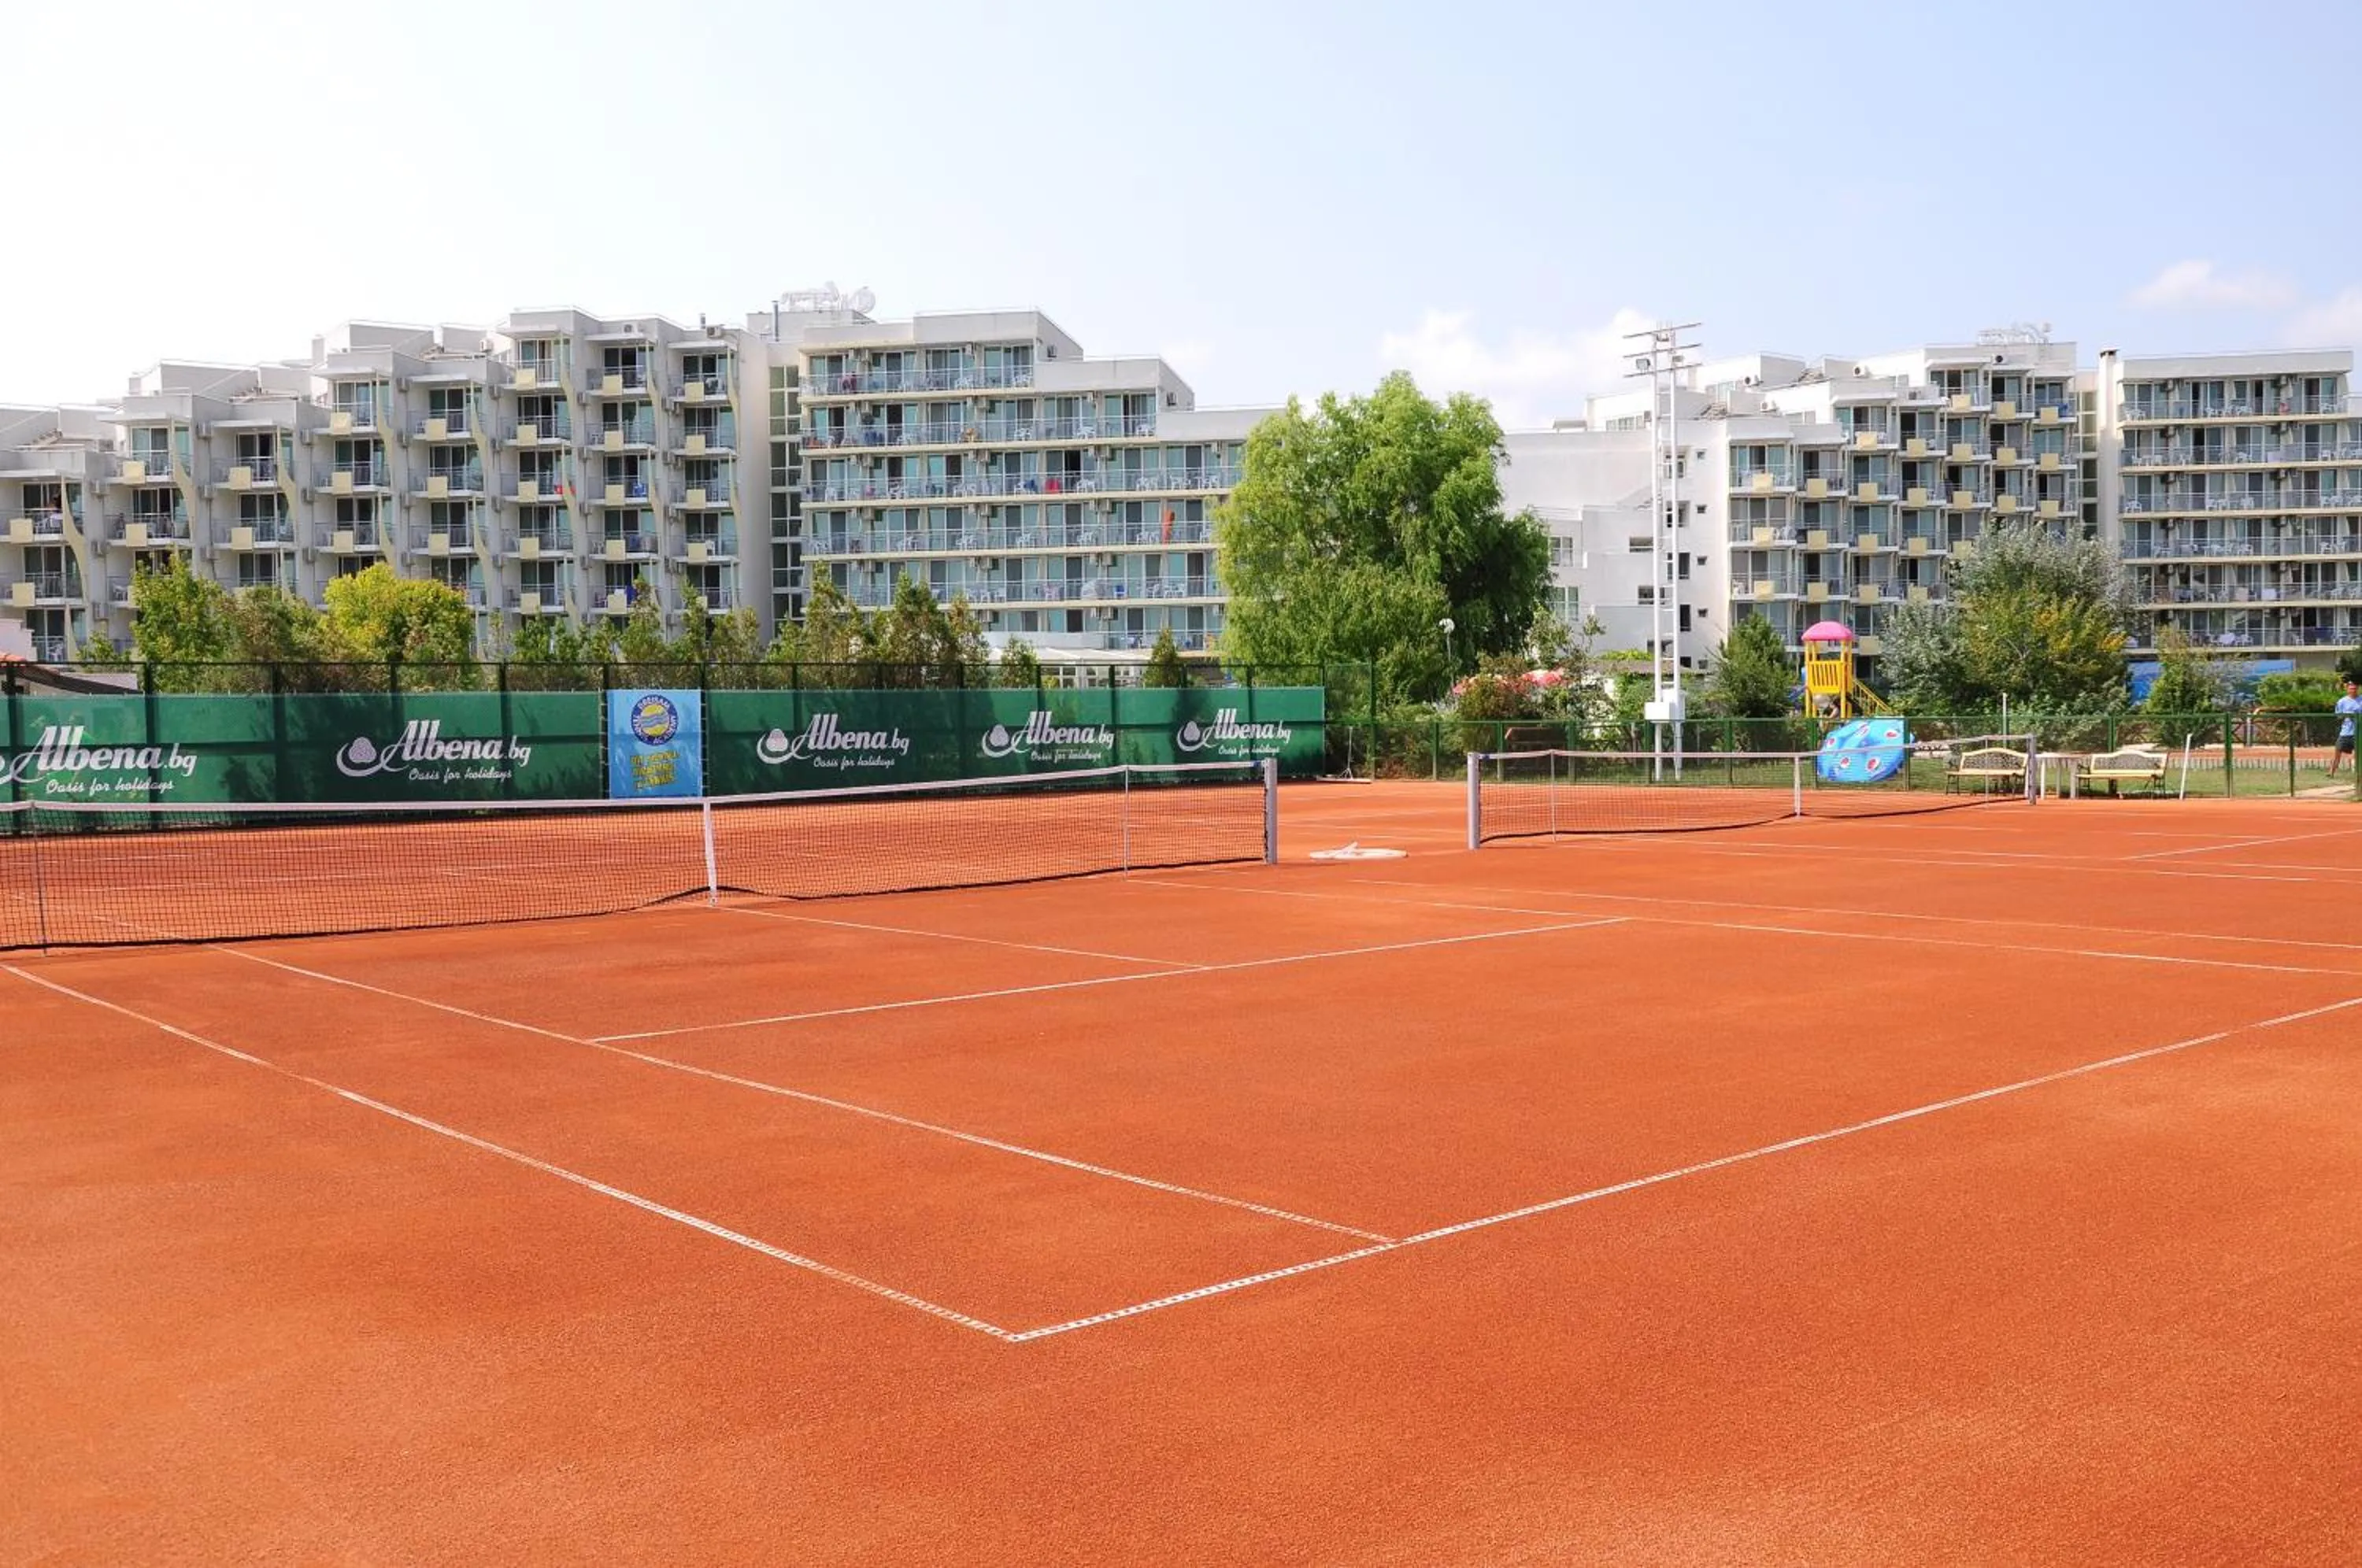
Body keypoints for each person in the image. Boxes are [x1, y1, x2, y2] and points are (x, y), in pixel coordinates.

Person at [2333, 679, 2362, 779]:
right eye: (2351, 688)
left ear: (2358, 689)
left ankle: (2357, 774)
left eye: (2355, 688)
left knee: (2358, 753)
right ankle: (2331, 772)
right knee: (2338, 751)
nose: (2353, 690)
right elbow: (2338, 716)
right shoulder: (2342, 701)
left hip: (2359, 732)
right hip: (2346, 731)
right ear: (2347, 689)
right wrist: (2347, 715)